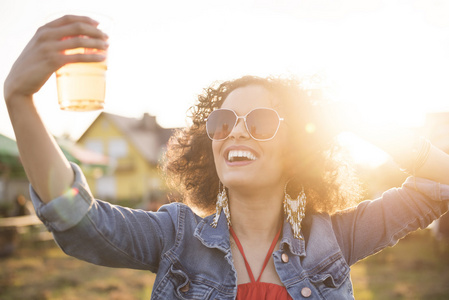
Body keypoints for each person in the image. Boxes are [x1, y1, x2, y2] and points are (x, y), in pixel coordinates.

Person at [4, 15, 449, 300]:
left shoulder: (338, 236)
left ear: (295, 148)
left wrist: (367, 124)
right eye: (222, 121)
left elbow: (439, 185)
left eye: (258, 121)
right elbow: (78, 219)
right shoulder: (174, 236)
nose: (235, 130)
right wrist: (19, 99)